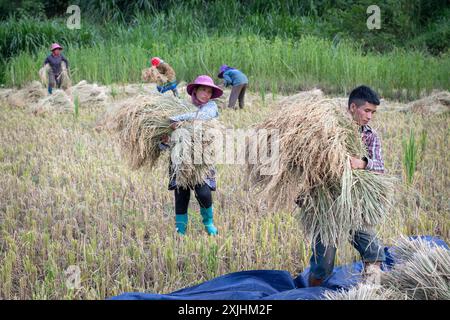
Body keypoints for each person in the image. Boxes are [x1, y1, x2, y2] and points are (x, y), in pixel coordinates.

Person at [308, 85, 386, 287]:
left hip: (355, 205)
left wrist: (363, 163)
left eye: (373, 112)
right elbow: (310, 163)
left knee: (374, 252)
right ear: (353, 107)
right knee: (322, 266)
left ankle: (371, 293)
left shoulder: (370, 135)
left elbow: (380, 167)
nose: (370, 117)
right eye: (366, 111)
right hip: (327, 207)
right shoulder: (328, 130)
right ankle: (310, 295)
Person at [160, 75, 223, 235]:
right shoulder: (182, 106)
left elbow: (202, 117)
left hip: (202, 158)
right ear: (195, 90)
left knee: (203, 193)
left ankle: (208, 223)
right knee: (181, 193)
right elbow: (164, 139)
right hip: (180, 158)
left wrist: (176, 120)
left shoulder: (211, 107)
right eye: (203, 90)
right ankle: (180, 229)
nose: (206, 95)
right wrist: (167, 135)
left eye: (209, 91)